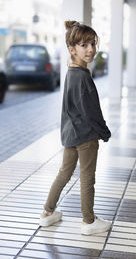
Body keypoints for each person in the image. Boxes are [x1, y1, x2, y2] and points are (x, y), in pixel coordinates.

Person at [39, 20, 111, 235]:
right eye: (83, 45)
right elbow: (92, 112)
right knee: (87, 177)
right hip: (86, 136)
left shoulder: (71, 73)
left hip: (71, 133)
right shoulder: (83, 78)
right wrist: (104, 132)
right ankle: (88, 222)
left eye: (92, 44)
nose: (90, 50)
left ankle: (47, 213)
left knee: (64, 173)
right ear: (72, 49)